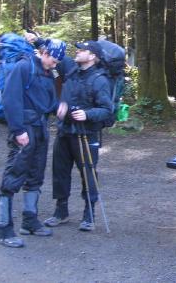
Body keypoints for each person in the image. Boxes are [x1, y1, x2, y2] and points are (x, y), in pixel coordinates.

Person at [0, 38, 67, 248]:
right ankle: (4, 229)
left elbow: (47, 101)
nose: (55, 64)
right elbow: (10, 99)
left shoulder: (48, 73)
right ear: (45, 53)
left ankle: (30, 221)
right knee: (14, 175)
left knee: (36, 175)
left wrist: (58, 107)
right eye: (53, 60)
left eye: (57, 62)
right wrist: (18, 130)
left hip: (40, 130)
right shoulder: (24, 67)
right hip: (24, 129)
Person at [44, 40, 112, 232]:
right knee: (60, 172)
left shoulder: (100, 80)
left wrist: (87, 114)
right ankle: (61, 212)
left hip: (86, 134)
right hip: (65, 131)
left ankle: (89, 215)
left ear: (92, 56)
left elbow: (107, 110)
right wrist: (38, 41)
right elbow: (54, 55)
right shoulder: (72, 70)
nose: (78, 51)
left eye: (82, 50)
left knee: (88, 174)